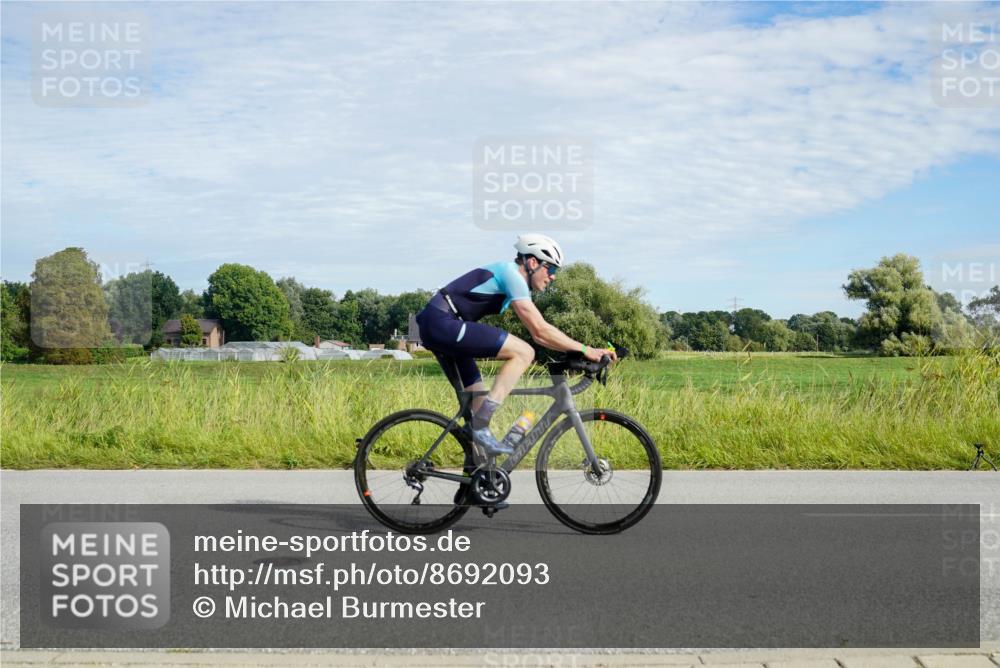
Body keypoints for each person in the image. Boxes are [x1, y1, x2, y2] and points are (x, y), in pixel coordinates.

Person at [415, 233, 617, 455]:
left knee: (477, 403)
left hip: (443, 325)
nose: (553, 277)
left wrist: (576, 351)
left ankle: (476, 472)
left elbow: (542, 334)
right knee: (524, 352)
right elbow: (540, 332)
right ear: (533, 263)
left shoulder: (510, 277)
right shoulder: (512, 275)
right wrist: (586, 350)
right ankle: (479, 426)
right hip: (443, 323)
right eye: (551, 269)